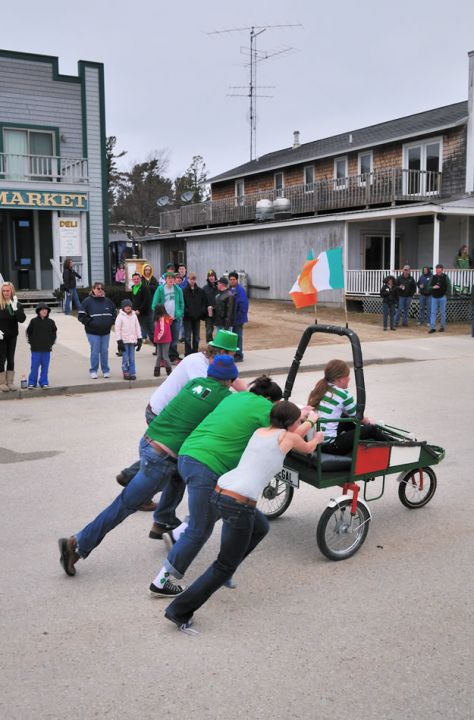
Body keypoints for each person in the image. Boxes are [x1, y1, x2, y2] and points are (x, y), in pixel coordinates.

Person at [57, 355, 239, 582]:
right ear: (230, 380)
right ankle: (77, 543)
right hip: (161, 458)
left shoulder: (195, 384)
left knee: (181, 474)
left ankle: (163, 520)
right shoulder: (224, 398)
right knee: (125, 504)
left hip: (149, 442)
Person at [164, 401, 324, 631]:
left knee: (261, 528)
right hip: (239, 503)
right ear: (290, 423)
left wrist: (303, 420)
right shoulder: (287, 438)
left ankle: (229, 568)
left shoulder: (261, 432)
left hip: (221, 492)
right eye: (297, 421)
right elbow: (306, 447)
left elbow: (290, 437)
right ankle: (179, 611)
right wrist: (315, 431)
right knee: (223, 565)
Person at [149, 375, 284, 597]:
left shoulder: (235, 398)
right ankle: (162, 580)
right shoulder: (264, 407)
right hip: (207, 467)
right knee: (200, 529)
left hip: (188, 456)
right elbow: (283, 430)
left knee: (258, 525)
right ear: (270, 399)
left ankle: (221, 568)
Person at [116, 330, 244, 517]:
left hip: (168, 412)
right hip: (161, 413)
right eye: (232, 355)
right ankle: (146, 499)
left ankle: (133, 478)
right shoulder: (197, 364)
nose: (233, 358)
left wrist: (253, 393)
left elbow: (233, 381)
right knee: (173, 463)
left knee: (172, 462)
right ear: (223, 353)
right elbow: (206, 396)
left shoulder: (210, 362)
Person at [307, 359, 388, 455]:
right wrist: (372, 423)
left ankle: (366, 443)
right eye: (347, 376)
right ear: (340, 379)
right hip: (329, 446)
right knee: (371, 429)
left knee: (346, 420)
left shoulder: (321, 387)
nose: (349, 378)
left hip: (317, 441)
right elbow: (360, 418)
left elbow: (351, 416)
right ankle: (393, 446)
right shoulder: (343, 395)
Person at [78, 282, 117, 380]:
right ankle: (93, 370)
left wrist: (110, 322)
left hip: (105, 331)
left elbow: (114, 313)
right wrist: (91, 323)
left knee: (104, 351)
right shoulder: (87, 301)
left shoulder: (108, 301)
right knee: (95, 351)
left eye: (102, 288)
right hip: (92, 332)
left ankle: (106, 370)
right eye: (98, 288)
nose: (100, 290)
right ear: (93, 289)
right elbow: (81, 316)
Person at [151, 272, 184, 363]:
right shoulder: (160, 289)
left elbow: (181, 303)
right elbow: (154, 304)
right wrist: (161, 316)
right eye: (169, 278)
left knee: (174, 339)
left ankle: (173, 357)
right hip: (164, 320)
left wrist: (179, 313)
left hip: (175, 318)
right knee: (163, 340)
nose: (171, 280)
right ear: (165, 279)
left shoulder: (178, 290)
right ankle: (162, 359)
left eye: (172, 278)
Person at [0, 281, 26, 392]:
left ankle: (10, 382)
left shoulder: (17, 304)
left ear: (12, 291)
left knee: (11, 358)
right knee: (1, 359)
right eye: (4, 291)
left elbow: (22, 319)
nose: (6, 293)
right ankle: (2, 382)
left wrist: (15, 308)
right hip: (1, 336)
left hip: (12, 335)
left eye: (8, 290)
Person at [26, 302, 57, 389]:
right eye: (42, 310)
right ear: (38, 311)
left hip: (46, 349)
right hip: (36, 349)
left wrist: (51, 342)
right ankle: (32, 382)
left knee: (45, 367)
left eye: (46, 310)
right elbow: (29, 332)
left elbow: (54, 333)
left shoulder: (51, 322)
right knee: (34, 367)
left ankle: (43, 382)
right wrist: (32, 342)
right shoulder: (33, 321)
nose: (44, 311)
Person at [115, 298, 142, 381]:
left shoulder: (134, 316)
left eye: (129, 306)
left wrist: (139, 338)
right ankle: (125, 371)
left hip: (132, 341)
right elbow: (117, 329)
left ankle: (132, 372)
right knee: (125, 357)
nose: (128, 307)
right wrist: (119, 341)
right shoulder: (120, 317)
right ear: (123, 307)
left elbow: (137, 327)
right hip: (124, 341)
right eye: (126, 306)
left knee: (132, 358)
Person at [183, 272, 206, 356]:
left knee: (196, 337)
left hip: (197, 318)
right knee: (187, 337)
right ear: (188, 280)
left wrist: (200, 312)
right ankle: (188, 353)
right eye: (190, 279)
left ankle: (195, 352)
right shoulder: (184, 291)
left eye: (194, 279)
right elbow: (183, 304)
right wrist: (187, 312)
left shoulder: (200, 291)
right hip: (187, 318)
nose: (192, 281)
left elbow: (203, 303)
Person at [228, 271, 249, 362]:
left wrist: (239, 317)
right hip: (232, 319)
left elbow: (244, 305)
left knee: (238, 337)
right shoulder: (230, 289)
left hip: (238, 319)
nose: (232, 281)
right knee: (234, 337)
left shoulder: (240, 290)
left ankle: (239, 355)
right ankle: (235, 353)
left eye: (234, 279)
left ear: (237, 280)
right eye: (230, 279)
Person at [129, 272, 152, 343]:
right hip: (135, 313)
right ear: (132, 280)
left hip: (145, 314)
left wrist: (139, 310)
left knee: (150, 331)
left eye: (137, 279)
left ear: (140, 279)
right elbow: (134, 301)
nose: (136, 280)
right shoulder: (133, 288)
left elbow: (146, 301)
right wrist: (132, 310)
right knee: (134, 330)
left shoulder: (145, 288)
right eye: (134, 279)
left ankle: (157, 347)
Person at [428, 264, 450, 334]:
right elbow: (428, 286)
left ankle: (442, 327)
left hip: (442, 297)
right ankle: (432, 328)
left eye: (439, 269)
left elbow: (449, 286)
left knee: (442, 313)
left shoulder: (445, 277)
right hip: (434, 297)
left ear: (442, 270)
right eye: (437, 269)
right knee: (433, 313)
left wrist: (447, 296)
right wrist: (433, 287)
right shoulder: (433, 277)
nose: (438, 270)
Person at [153, 303, 173, 377]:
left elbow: (162, 330)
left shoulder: (162, 318)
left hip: (164, 340)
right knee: (160, 355)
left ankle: (169, 371)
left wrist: (157, 338)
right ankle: (157, 371)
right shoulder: (164, 318)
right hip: (162, 340)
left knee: (164, 356)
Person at [202, 270, 218, 342]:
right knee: (209, 331)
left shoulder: (219, 287)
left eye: (212, 276)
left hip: (218, 312)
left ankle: (219, 345)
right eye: (210, 276)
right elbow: (201, 300)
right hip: (208, 313)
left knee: (219, 330)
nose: (211, 278)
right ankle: (210, 345)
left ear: (215, 277)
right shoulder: (204, 288)